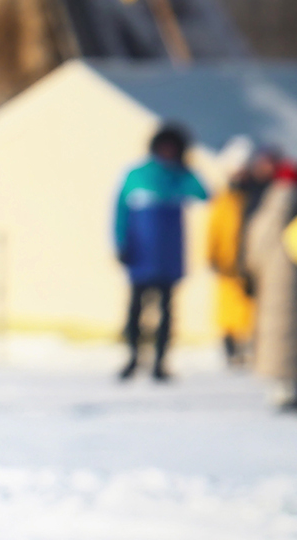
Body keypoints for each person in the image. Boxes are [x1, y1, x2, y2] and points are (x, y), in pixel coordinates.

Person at [112, 123, 210, 382]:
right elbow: (120, 212)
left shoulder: (180, 176)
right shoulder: (137, 175)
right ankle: (133, 356)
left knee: (166, 310)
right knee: (136, 308)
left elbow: (204, 194)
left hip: (168, 255)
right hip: (141, 254)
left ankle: (160, 361)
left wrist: (187, 169)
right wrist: (121, 243)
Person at [244, 157, 297, 412]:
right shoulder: (294, 207)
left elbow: (255, 246)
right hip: (292, 284)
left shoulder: (271, 207)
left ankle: (287, 387)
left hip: (276, 285)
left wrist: (251, 271)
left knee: (282, 338)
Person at [208, 147, 279, 367]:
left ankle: (249, 347)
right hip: (228, 262)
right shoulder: (225, 198)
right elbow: (214, 229)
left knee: (251, 309)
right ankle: (230, 347)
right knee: (228, 309)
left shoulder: (257, 196)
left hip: (249, 260)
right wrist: (212, 255)